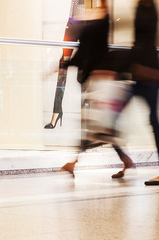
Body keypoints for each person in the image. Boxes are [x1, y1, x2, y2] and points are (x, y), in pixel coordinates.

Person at [60, 0, 135, 179]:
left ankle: (74, 161)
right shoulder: (96, 17)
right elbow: (85, 49)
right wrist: (65, 65)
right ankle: (124, 159)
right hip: (94, 79)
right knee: (100, 125)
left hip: (101, 80)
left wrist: (67, 65)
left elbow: (90, 50)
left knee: (96, 124)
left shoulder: (103, 18)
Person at [129, 0, 159, 185]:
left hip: (147, 73)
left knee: (154, 122)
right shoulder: (146, 8)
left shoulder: (149, 11)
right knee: (153, 121)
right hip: (145, 72)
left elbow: (144, 43)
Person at [44, 0, 85, 129]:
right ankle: (57, 111)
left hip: (88, 24)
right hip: (72, 23)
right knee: (63, 66)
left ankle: (86, 115)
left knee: (84, 69)